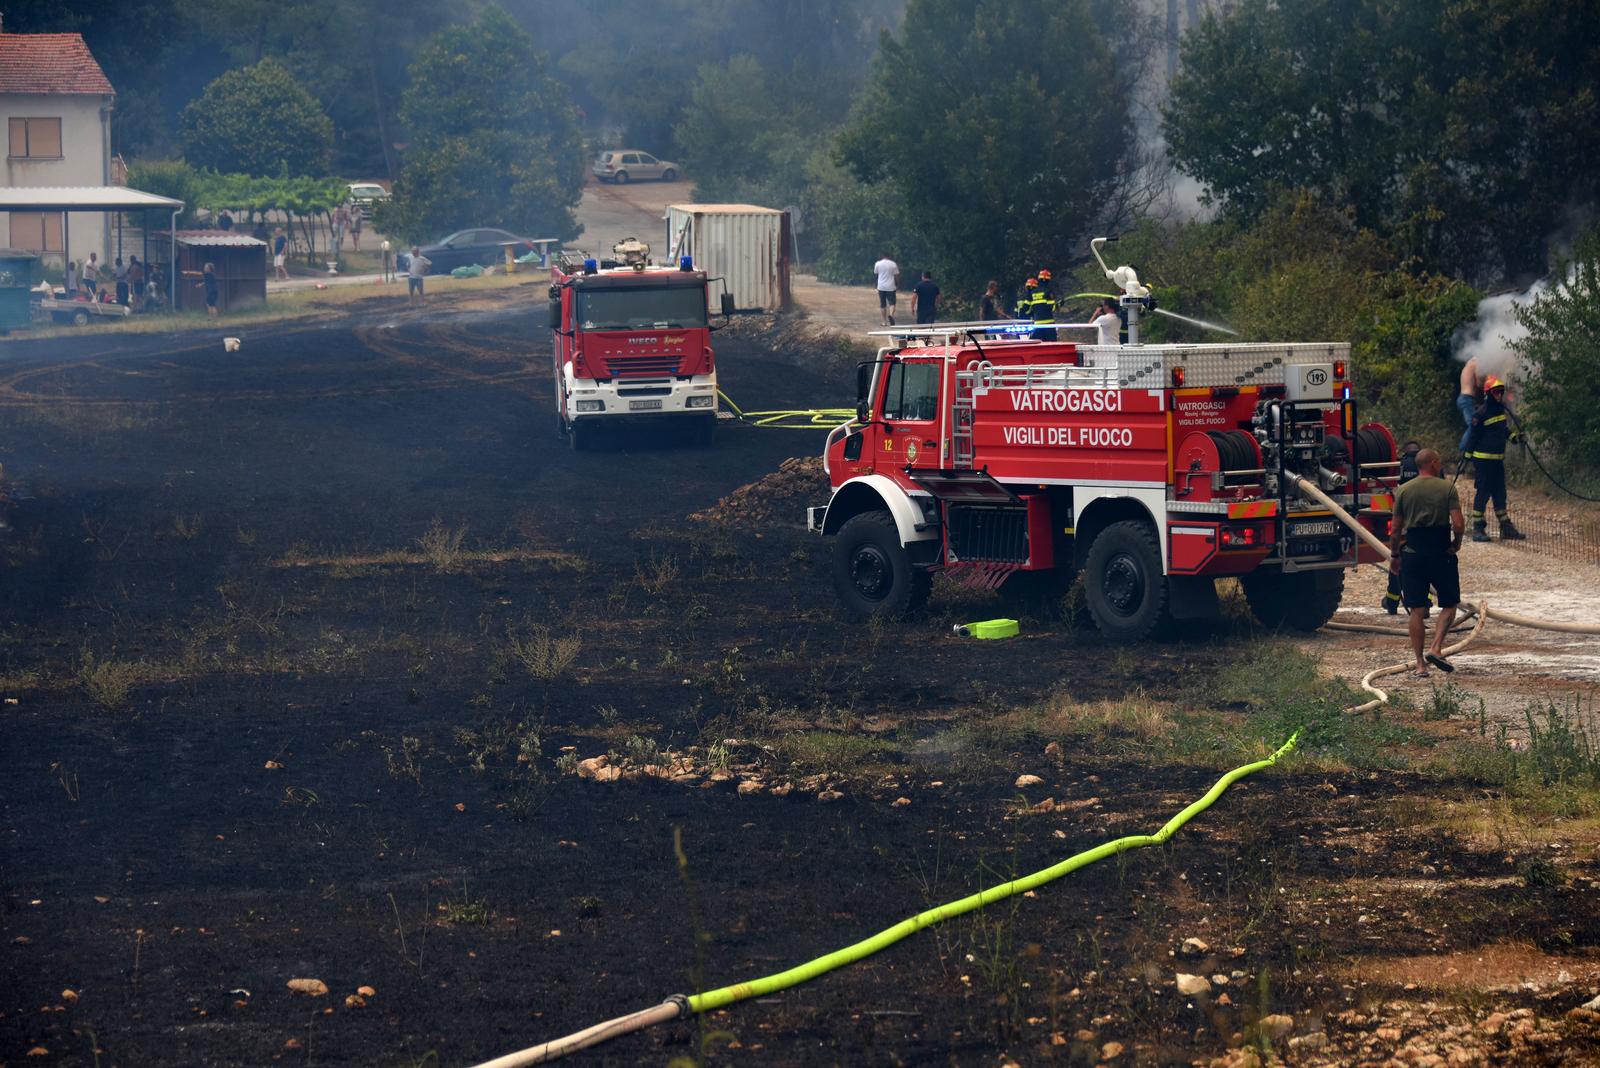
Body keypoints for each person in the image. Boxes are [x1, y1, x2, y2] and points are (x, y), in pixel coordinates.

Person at [1388, 447, 1464, 677]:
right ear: (1431, 463)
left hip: (1412, 551)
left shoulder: (1403, 490)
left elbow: (1396, 529)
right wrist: (1456, 543)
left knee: (1417, 610)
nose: (1440, 464)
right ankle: (1436, 647)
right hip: (1441, 549)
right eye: (1438, 461)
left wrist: (1394, 556)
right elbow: (1458, 523)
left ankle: (1420, 665)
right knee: (1450, 603)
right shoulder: (1447, 488)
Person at [1465, 375, 1524, 542]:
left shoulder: (1500, 411)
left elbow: (1502, 430)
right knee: (1483, 493)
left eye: (1500, 392)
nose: (1499, 395)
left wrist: (1515, 437)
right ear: (1488, 394)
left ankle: (1506, 527)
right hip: (1483, 461)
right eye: (1496, 392)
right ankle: (1478, 528)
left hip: (1497, 461)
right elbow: (1473, 436)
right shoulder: (1481, 413)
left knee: (1500, 493)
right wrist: (1467, 457)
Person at [1382, 440, 1433, 615]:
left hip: (1404, 524)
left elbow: (1387, 493)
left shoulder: (1398, 466)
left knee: (1397, 562)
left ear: (1404, 452)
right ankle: (1424, 603)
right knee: (1425, 566)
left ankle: (1392, 602)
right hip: (1426, 526)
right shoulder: (1431, 466)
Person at [1457, 357, 1483, 451]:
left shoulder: (1469, 364)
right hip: (1466, 399)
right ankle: (1463, 450)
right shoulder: (1475, 363)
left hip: (1465, 399)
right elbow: (1479, 383)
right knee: (1473, 424)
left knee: (1476, 424)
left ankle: (1471, 449)